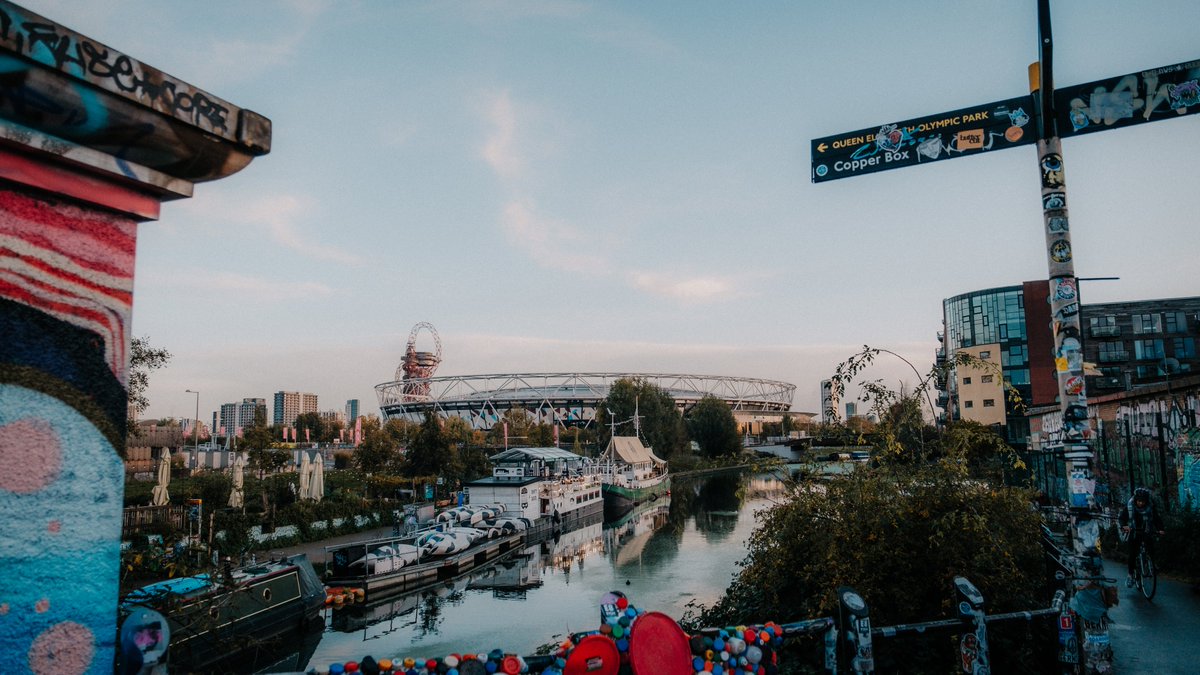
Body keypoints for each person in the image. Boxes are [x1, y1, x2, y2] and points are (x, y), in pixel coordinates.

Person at [1119, 487, 1165, 587]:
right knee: (1132, 553)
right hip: (1133, 530)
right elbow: (1122, 518)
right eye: (1139, 501)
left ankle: (1151, 563)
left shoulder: (1150, 506)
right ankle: (1130, 575)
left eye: (1143, 501)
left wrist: (1160, 529)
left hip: (1146, 529)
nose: (1141, 503)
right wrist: (1124, 526)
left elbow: (1156, 518)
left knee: (1150, 546)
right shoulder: (1130, 506)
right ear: (1136, 499)